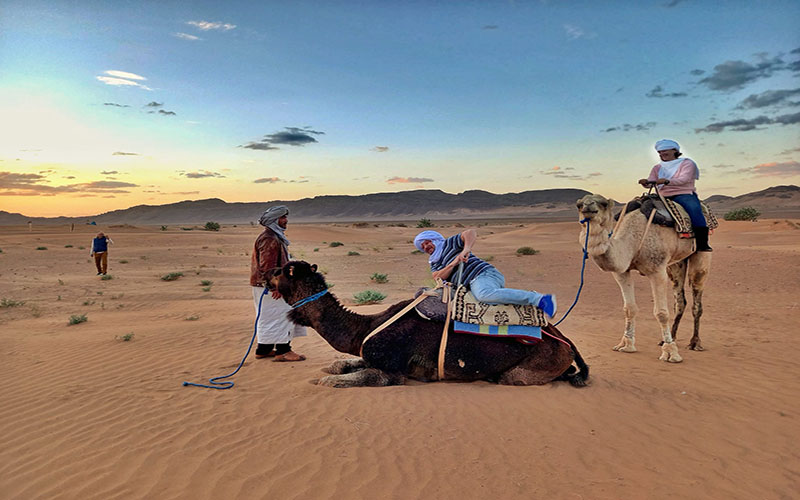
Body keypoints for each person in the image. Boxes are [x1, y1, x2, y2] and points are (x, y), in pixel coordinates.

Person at [413, 229, 557, 318]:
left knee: (483, 294)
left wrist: (466, 249)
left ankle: (539, 299)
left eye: (427, 242)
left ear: (434, 239)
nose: (426, 247)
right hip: (466, 287)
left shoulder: (449, 243)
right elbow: (437, 276)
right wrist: (454, 263)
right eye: (422, 246)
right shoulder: (434, 262)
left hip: (482, 275)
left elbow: (470, 233)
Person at [250, 205, 307, 361]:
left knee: (269, 316)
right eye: (282, 218)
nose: (285, 220)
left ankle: (264, 349)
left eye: (285, 217)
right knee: (284, 314)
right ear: (274, 220)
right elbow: (267, 268)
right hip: (270, 287)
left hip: (265, 286)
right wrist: (277, 286)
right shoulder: (270, 239)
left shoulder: (274, 236)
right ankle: (283, 351)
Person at [638, 139, 712, 252]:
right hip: (661, 195)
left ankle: (702, 244)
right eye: (660, 152)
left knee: (694, 209)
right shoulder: (657, 168)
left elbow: (684, 179)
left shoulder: (687, 163)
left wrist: (667, 181)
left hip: (683, 194)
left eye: (664, 151)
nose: (662, 154)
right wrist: (646, 183)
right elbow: (652, 181)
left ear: (674, 150)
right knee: (634, 206)